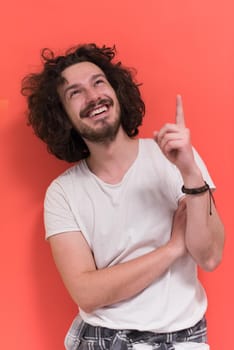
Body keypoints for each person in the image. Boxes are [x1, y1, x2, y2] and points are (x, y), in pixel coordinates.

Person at [21, 43, 225, 350]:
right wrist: (171, 249)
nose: (93, 97)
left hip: (185, 337)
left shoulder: (175, 160)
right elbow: (87, 293)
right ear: (62, 115)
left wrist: (190, 172)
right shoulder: (63, 193)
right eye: (75, 93)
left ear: (116, 91)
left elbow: (209, 257)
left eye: (98, 82)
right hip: (104, 339)